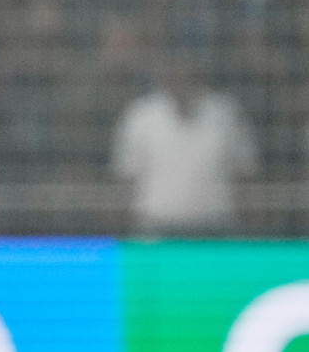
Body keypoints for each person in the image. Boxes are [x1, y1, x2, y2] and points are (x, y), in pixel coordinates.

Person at [110, 53, 257, 236]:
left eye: (186, 68)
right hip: (156, 228)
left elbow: (244, 175)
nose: (180, 74)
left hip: (215, 227)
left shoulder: (226, 114)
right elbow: (126, 178)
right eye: (174, 68)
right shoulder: (140, 116)